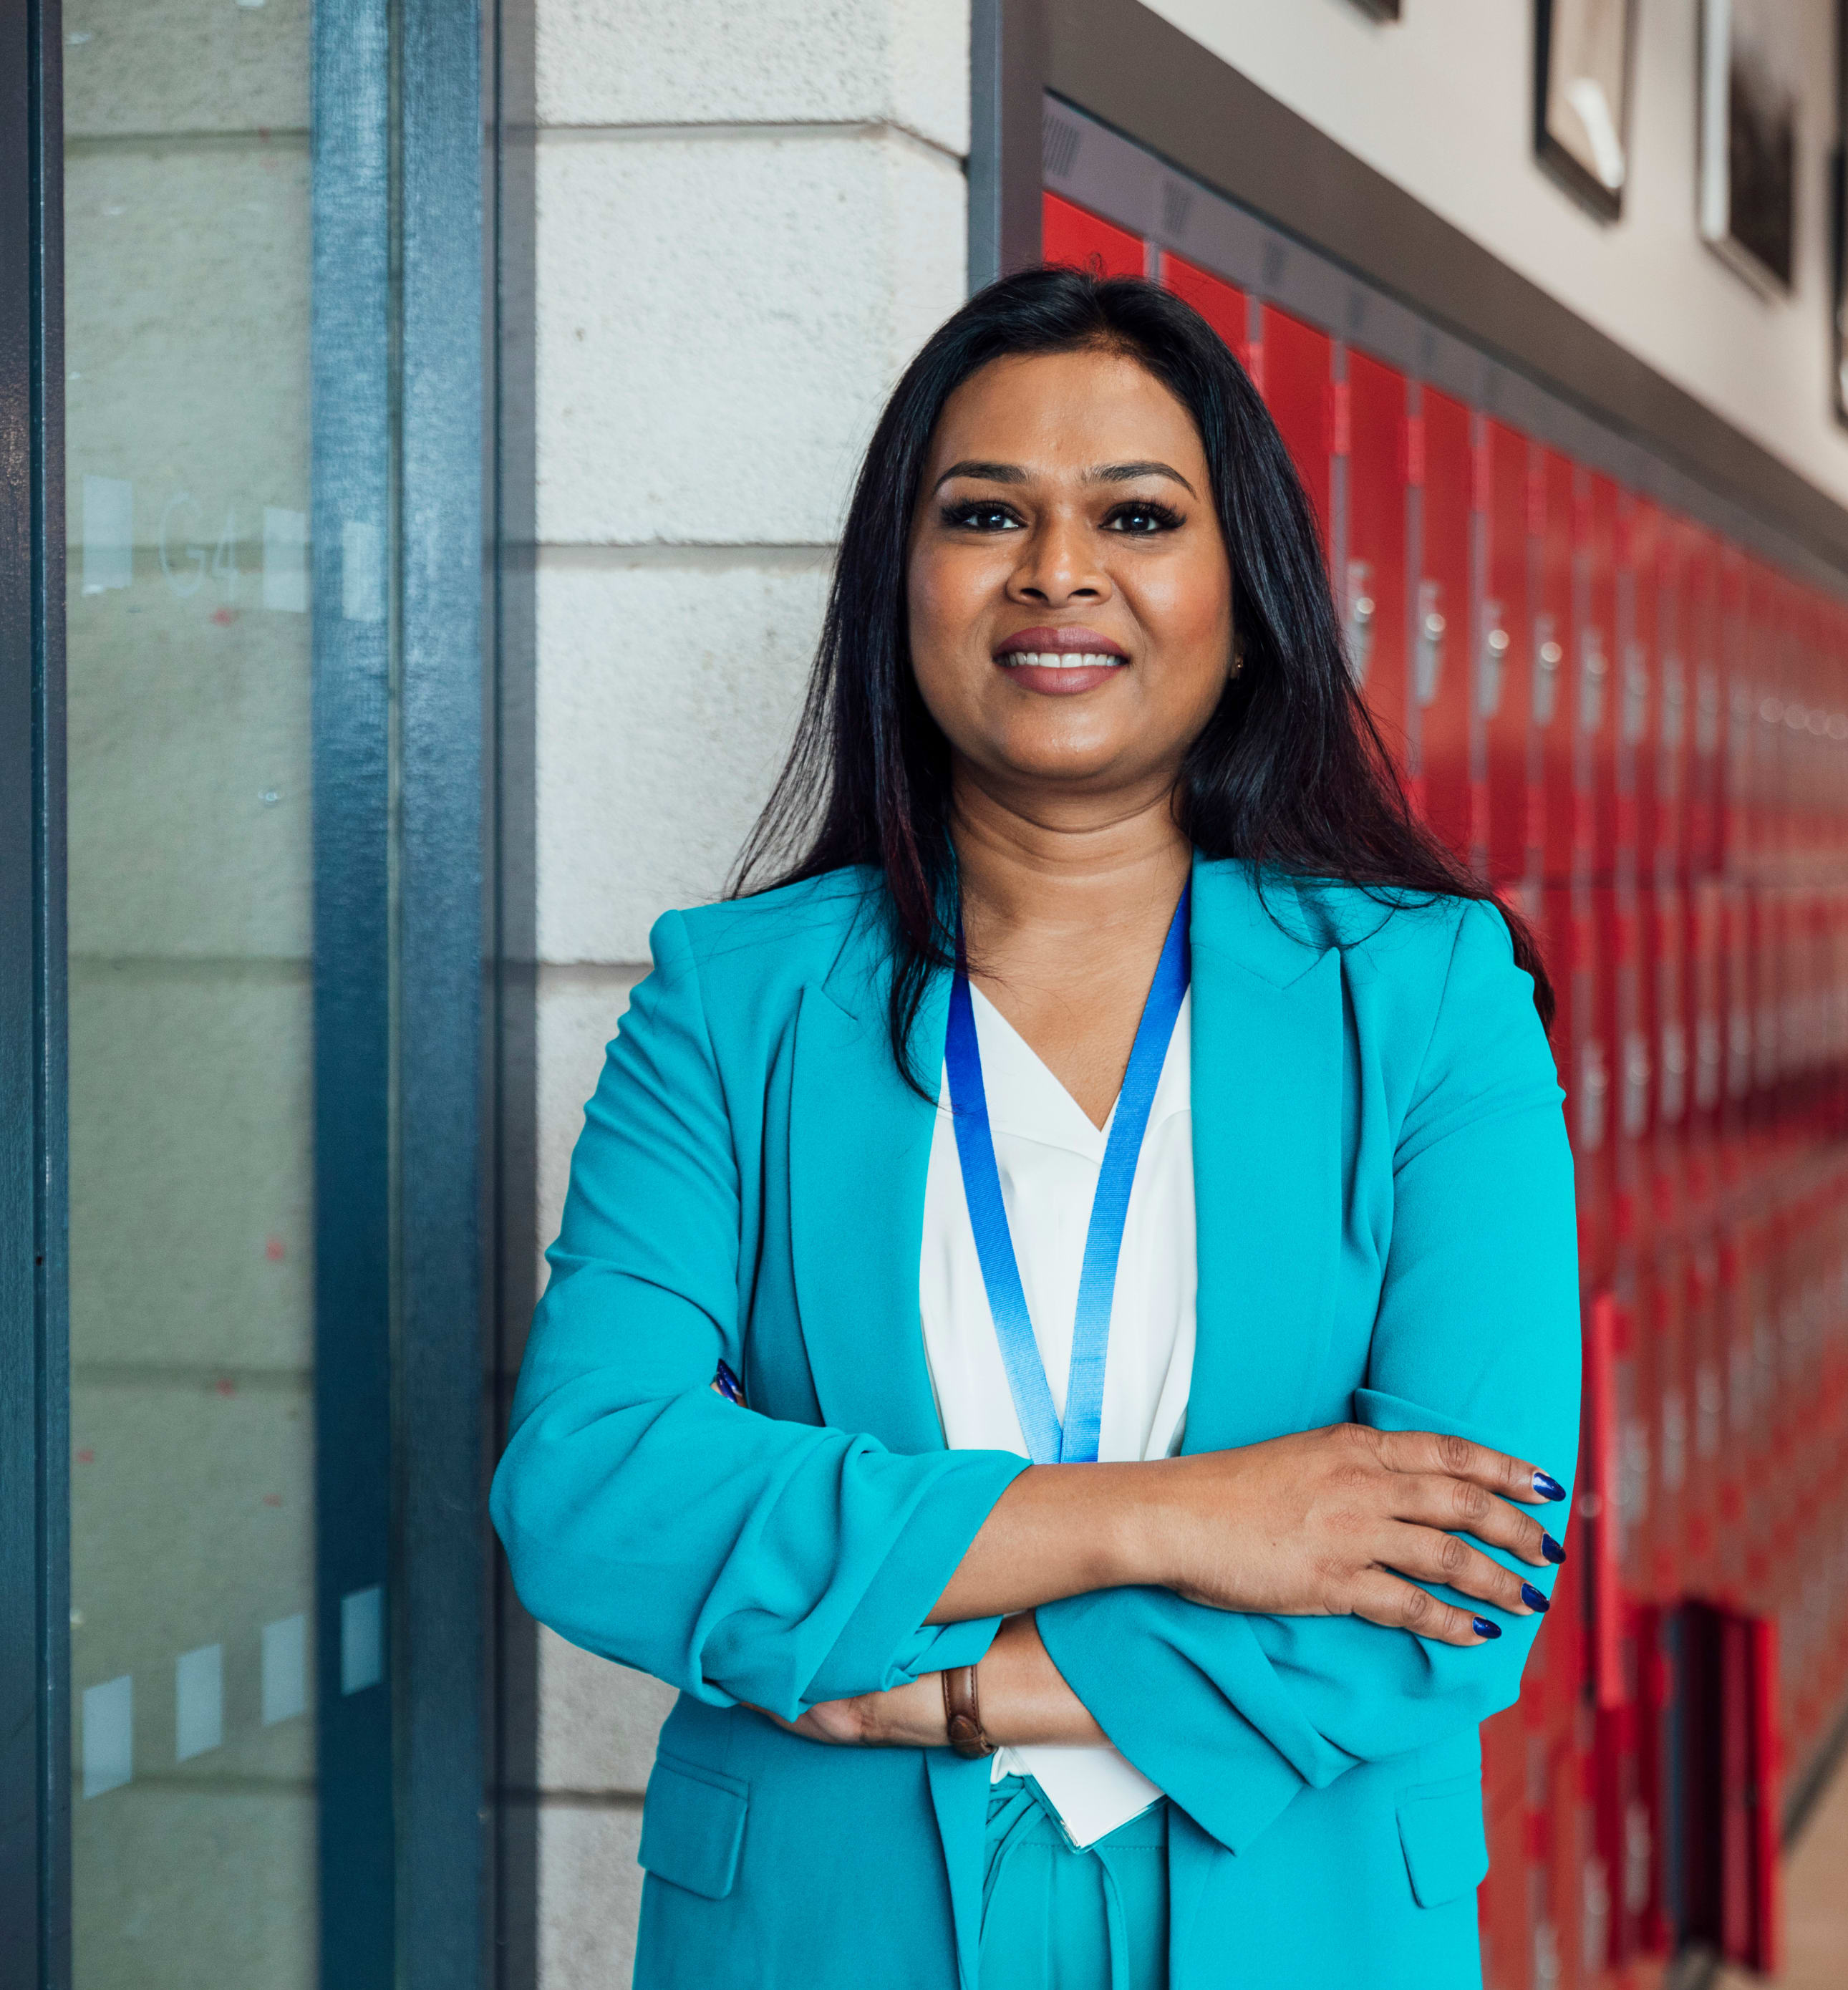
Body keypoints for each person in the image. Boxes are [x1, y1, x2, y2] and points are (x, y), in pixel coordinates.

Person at [490, 265, 1580, 1990]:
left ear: (1244, 598)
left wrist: (959, 1688)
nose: (1055, 570)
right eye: (984, 513)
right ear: (898, 586)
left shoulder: (1427, 995)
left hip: (1300, 1916)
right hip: (822, 1926)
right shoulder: (734, 1002)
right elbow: (590, 1488)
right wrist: (1176, 1516)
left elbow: (1467, 1570)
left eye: (1135, 516)